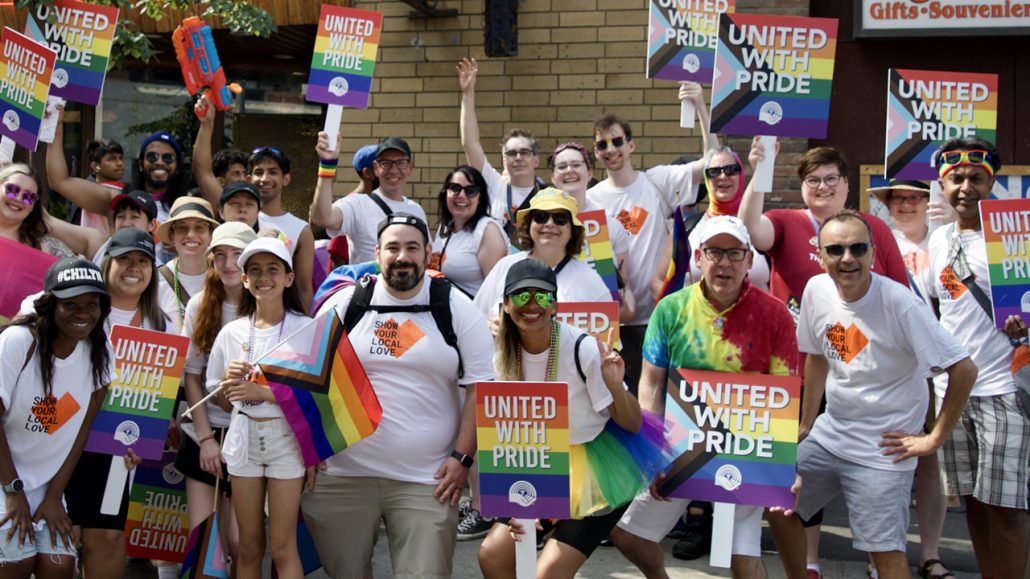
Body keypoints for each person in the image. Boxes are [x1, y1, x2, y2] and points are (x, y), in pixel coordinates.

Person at [609, 216, 805, 579]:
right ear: (698, 257)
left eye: (734, 253)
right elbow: (651, 384)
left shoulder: (775, 314)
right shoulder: (670, 309)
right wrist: (654, 451)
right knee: (628, 535)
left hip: (748, 445)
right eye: (715, 252)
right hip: (684, 444)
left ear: (749, 260)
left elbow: (785, 396)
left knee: (741, 560)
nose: (724, 262)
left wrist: (785, 465)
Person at [788, 210, 977, 579]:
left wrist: (933, 439)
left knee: (886, 552)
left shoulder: (900, 303)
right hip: (831, 434)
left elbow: (964, 369)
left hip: (883, 449)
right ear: (820, 253)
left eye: (858, 248)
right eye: (836, 249)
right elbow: (816, 357)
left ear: (873, 253)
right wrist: (807, 422)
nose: (847, 258)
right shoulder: (816, 290)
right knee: (777, 502)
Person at [304, 213, 495, 578]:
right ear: (377, 253)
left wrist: (462, 458)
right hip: (343, 476)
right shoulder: (346, 304)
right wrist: (309, 445)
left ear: (428, 254)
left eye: (412, 247)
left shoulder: (455, 307)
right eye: (393, 247)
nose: (402, 256)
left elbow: (480, 387)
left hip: (426, 481)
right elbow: (312, 375)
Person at [477, 258, 667, 579]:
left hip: (596, 467)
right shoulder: (499, 353)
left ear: (556, 306)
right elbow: (504, 434)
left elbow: (633, 424)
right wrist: (519, 502)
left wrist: (614, 385)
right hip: (534, 462)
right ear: (506, 305)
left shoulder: (584, 349)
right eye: (522, 297)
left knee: (547, 574)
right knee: (492, 555)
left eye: (543, 297)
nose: (533, 305)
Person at [924, 137, 1030, 579]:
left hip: (1004, 387)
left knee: (1006, 509)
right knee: (973, 502)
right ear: (942, 184)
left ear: (993, 182)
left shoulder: (1017, 239)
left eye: (977, 178)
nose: (966, 187)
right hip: (954, 393)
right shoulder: (937, 241)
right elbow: (934, 308)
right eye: (956, 179)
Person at [587, 86, 716, 394]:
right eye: (602, 144)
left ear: (631, 146)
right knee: (622, 402)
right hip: (614, 323)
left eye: (617, 141)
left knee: (661, 399)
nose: (611, 149)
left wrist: (699, 103)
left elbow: (712, 162)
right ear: (596, 152)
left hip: (659, 317)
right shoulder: (590, 199)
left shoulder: (656, 181)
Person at [60, 229, 167, 579]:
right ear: (108, 263)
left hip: (118, 449)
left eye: (143, 261)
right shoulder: (80, 309)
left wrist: (146, 440)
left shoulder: (161, 321)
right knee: (63, 535)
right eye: (124, 259)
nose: (133, 268)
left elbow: (159, 391)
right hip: (63, 437)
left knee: (107, 536)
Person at [0, 257, 114, 579]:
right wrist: (13, 492)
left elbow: (82, 429)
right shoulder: (19, 342)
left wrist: (53, 496)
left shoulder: (100, 352)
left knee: (58, 564)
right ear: (50, 305)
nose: (83, 313)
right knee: (14, 561)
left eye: (91, 304)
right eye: (71, 304)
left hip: (45, 485)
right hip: (4, 479)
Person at [207, 237, 310, 579]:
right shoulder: (231, 333)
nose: (264, 277)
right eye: (255, 271)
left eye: (273, 269)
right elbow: (222, 404)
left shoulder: (306, 328)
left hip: (287, 441)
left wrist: (265, 393)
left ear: (288, 278)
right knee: (248, 545)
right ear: (245, 280)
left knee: (283, 545)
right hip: (243, 439)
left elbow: (319, 397)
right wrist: (225, 383)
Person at [866, 179, 954, 578]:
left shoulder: (943, 244)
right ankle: (882, 554)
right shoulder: (879, 244)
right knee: (885, 458)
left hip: (935, 367)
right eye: (897, 198)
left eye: (914, 197)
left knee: (929, 461)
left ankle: (930, 553)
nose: (905, 204)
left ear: (928, 201)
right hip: (889, 366)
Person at [738, 141, 909, 321]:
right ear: (802, 187)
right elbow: (748, 228)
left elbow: (901, 295)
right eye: (813, 180)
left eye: (831, 178)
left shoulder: (874, 227)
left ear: (846, 182)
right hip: (797, 345)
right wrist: (761, 172)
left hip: (866, 343)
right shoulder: (786, 222)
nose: (822, 186)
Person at [177, 222, 257, 578]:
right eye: (220, 255)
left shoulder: (266, 302)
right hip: (204, 433)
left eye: (237, 255)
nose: (228, 264)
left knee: (242, 543)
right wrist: (206, 439)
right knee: (206, 541)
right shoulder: (200, 303)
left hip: (250, 435)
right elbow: (191, 374)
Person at [475, 189, 612, 327]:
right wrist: (488, 327)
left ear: (572, 231)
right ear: (529, 226)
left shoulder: (589, 278)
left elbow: (609, 342)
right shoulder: (505, 266)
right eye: (540, 216)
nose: (549, 224)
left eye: (560, 219)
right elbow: (475, 319)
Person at [652, 147, 771, 296]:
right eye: (714, 171)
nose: (722, 176)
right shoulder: (687, 228)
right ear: (705, 179)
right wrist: (683, 311)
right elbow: (658, 281)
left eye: (731, 169)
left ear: (740, 175)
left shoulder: (762, 227)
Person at [457, 58, 544, 241]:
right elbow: (470, 143)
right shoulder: (493, 184)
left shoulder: (548, 196)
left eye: (524, 152)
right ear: (504, 160)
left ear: (536, 159)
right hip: (495, 267)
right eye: (511, 153)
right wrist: (467, 93)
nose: (518, 157)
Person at [548, 142, 636, 322]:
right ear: (553, 178)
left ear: (589, 173)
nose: (569, 170)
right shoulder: (541, 225)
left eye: (576, 164)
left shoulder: (609, 225)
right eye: (562, 166)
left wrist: (625, 306)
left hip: (597, 329)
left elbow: (624, 285)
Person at [310, 135, 427, 264]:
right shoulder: (357, 204)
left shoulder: (416, 210)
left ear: (410, 167)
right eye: (386, 163)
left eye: (401, 162)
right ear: (376, 168)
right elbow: (321, 218)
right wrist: (327, 165)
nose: (393, 170)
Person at [246, 147, 315, 312]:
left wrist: (309, 326)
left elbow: (304, 288)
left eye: (272, 172)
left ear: (286, 179)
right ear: (248, 179)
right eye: (259, 172)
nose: (265, 178)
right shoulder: (239, 219)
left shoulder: (301, 229)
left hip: (282, 319)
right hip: (240, 314)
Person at [430, 165, 507, 296]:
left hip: (473, 313)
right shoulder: (445, 226)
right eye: (455, 188)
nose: (461, 195)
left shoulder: (488, 231)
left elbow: (497, 291)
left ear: (480, 198)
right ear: (445, 193)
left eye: (470, 191)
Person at [155, 197, 219, 334]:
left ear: (211, 235)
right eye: (182, 228)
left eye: (200, 228)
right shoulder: (155, 281)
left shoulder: (224, 278)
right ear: (172, 236)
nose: (190, 235)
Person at [0, 164, 75, 258]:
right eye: (12, 189)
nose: (19, 199)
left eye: (29, 197)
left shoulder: (47, 248)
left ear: (33, 207)